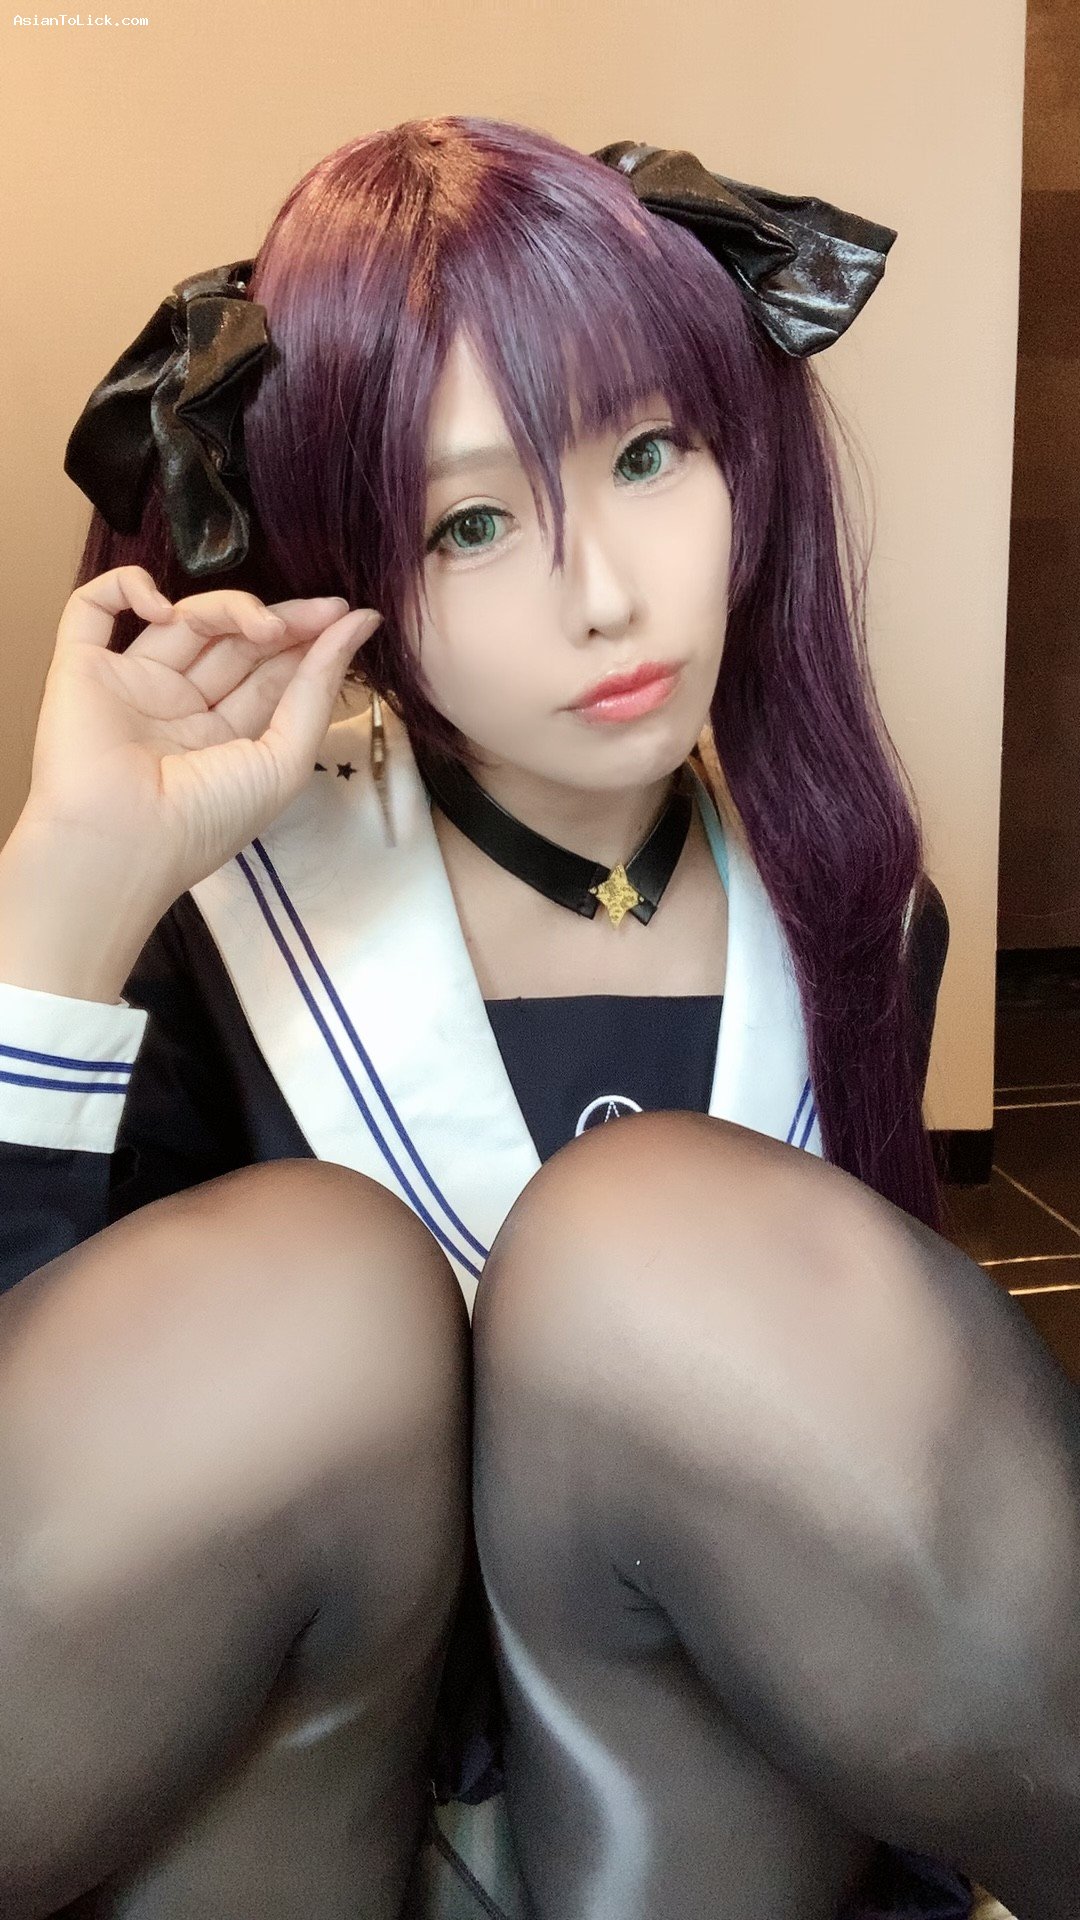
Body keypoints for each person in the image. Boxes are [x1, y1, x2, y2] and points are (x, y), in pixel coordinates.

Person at [0, 114, 1074, 1920]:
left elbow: (890, 1501)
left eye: (648, 454)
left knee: (665, 1242)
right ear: (344, 561)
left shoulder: (856, 920)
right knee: (307, 1285)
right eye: (473, 522)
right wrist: (68, 899)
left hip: (699, 1825)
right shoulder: (216, 915)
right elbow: (62, 1512)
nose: (607, 594)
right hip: (266, 1818)